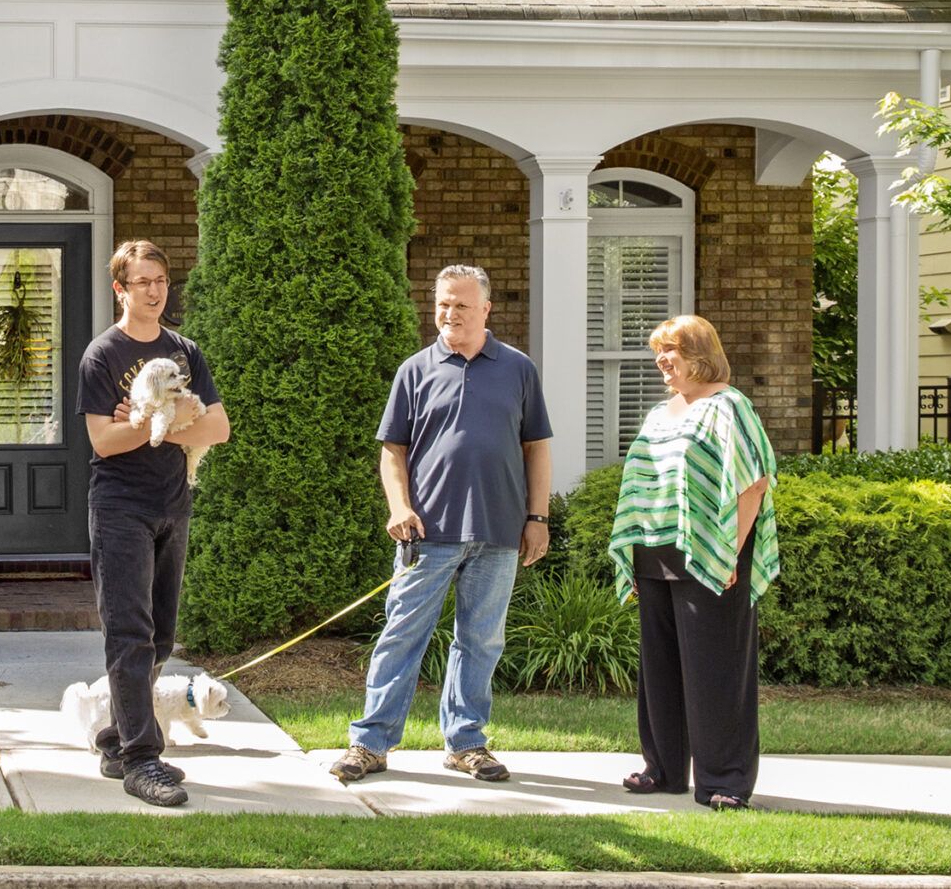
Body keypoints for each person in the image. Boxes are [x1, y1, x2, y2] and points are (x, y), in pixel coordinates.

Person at [330, 264, 552, 785]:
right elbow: (393, 453)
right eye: (442, 304)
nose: (449, 314)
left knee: (480, 641)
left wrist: (538, 517)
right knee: (401, 635)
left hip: (498, 531)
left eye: (461, 305)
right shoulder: (415, 369)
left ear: (486, 310)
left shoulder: (519, 370)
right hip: (425, 533)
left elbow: (536, 448)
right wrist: (398, 506)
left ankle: (467, 742)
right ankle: (370, 743)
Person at [77, 238, 230, 807]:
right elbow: (103, 440)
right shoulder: (103, 355)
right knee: (129, 633)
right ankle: (143, 759)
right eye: (142, 282)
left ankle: (117, 738)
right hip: (120, 508)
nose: (155, 291)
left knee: (161, 633)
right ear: (120, 289)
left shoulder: (185, 351)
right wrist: (158, 421)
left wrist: (154, 420)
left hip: (174, 503)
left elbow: (217, 429)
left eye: (161, 281)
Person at [607, 312, 781, 811]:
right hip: (654, 552)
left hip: (712, 552)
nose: (662, 360)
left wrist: (730, 551)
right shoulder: (662, 413)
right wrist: (635, 554)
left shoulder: (730, 407)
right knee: (660, 668)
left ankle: (724, 780)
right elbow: (643, 485)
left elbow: (754, 482)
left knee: (716, 669)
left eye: (672, 350)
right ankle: (662, 769)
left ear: (701, 355)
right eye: (659, 351)